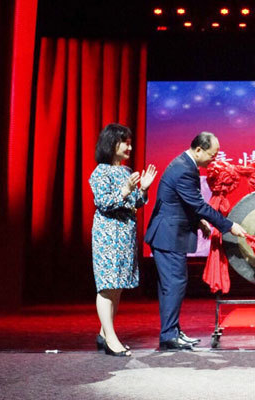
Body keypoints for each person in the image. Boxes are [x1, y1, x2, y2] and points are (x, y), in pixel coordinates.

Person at [144, 131, 247, 351]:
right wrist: (229, 225)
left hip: (170, 234)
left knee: (172, 285)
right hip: (168, 235)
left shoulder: (185, 165)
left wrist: (199, 221)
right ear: (198, 150)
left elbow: (184, 203)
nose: (214, 160)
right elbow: (198, 204)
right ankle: (169, 336)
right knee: (174, 284)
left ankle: (172, 331)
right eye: (212, 155)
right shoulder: (184, 169)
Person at [89, 123, 157, 357]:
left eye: (130, 143)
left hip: (125, 235)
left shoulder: (126, 171)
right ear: (112, 144)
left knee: (117, 287)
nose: (130, 147)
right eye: (125, 143)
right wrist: (125, 190)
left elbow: (135, 203)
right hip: (108, 235)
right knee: (107, 286)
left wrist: (143, 190)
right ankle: (111, 339)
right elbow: (103, 203)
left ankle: (103, 335)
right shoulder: (100, 172)